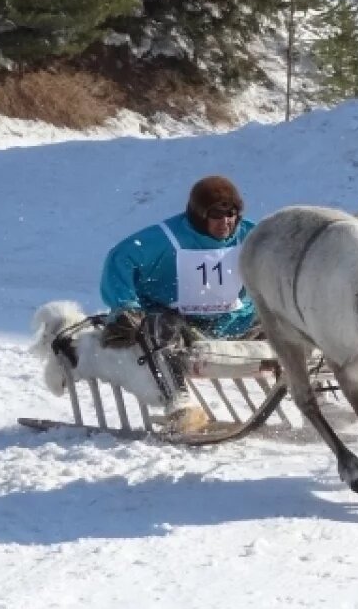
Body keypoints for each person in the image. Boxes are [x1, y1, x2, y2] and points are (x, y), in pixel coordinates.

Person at [99, 175, 257, 432]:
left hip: (234, 321)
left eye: (232, 214)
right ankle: (179, 403)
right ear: (199, 215)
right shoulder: (165, 238)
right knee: (160, 325)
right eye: (216, 215)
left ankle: (318, 396)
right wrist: (126, 305)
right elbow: (119, 259)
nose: (225, 222)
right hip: (182, 323)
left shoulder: (250, 234)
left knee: (292, 319)